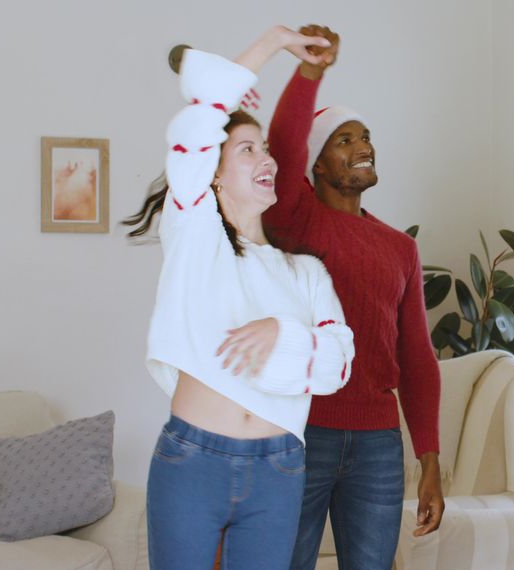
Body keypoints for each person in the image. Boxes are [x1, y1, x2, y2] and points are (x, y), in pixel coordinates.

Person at [122, 26, 354, 569]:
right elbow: (204, 117)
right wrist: (273, 42)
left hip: (279, 469)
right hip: (191, 460)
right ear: (214, 176)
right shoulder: (194, 234)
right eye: (247, 149)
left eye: (267, 149)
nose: (265, 158)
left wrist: (283, 334)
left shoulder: (306, 272)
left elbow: (338, 362)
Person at [262, 25, 445, 569]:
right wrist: (312, 70)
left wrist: (429, 459)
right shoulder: (293, 219)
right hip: (303, 432)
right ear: (316, 165)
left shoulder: (400, 248)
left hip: (378, 444)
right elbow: (284, 143)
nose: (363, 147)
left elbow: (417, 357)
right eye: (345, 139)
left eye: (365, 137)